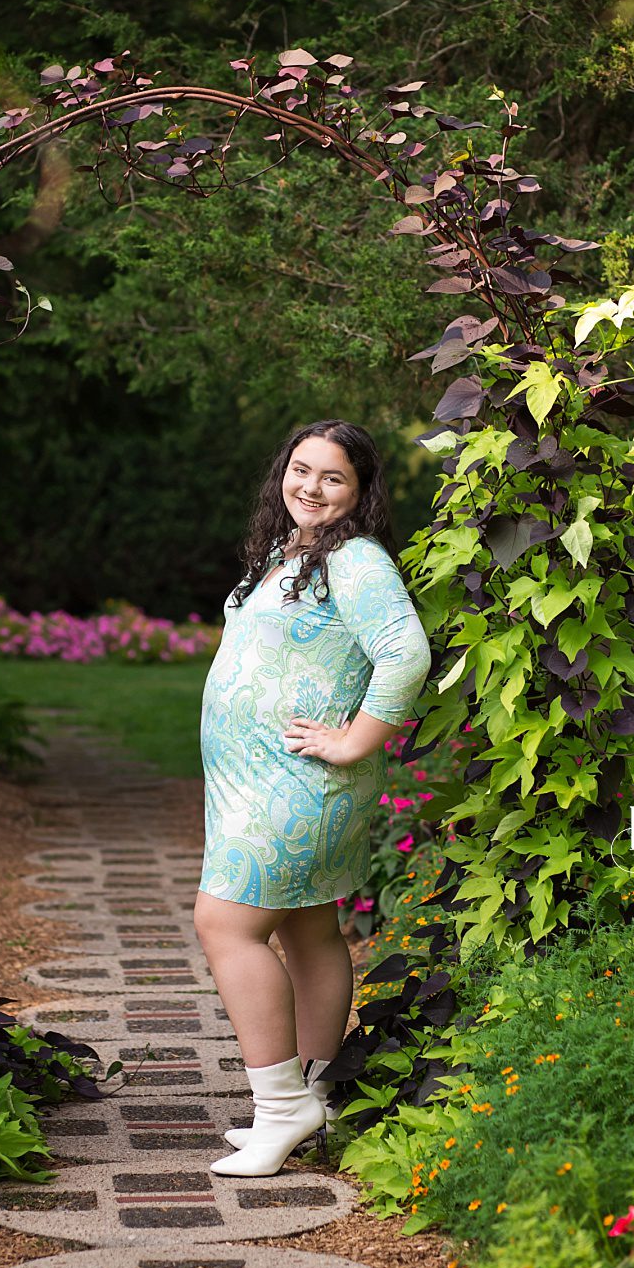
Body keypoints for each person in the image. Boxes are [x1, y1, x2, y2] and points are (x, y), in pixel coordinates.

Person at [194, 419, 431, 1177]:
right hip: (261, 782)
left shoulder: (356, 559)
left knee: (225, 923)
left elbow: (406, 652)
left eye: (333, 478)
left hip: (297, 782)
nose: (311, 487)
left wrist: (356, 739)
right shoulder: (289, 552)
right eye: (301, 469)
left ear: (359, 492)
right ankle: (320, 1096)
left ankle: (281, 1107)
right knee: (307, 930)